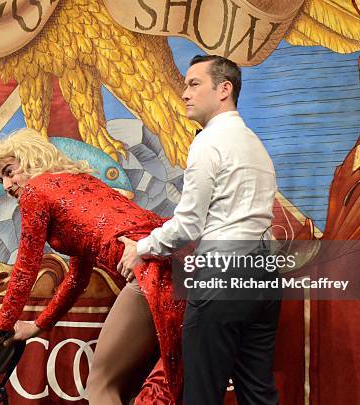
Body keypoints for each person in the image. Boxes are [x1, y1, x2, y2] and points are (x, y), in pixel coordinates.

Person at [0, 128, 185, 404]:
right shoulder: (82, 183)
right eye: (1, 178)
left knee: (101, 386)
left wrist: (1, 328)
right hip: (184, 263)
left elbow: (25, 269)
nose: (6, 185)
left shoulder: (36, 190)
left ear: (32, 158)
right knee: (151, 383)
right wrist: (36, 326)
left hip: (152, 270)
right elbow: (76, 279)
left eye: (10, 171)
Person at [119, 55, 280, 404]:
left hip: (223, 278)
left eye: (194, 84)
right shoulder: (255, 143)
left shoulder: (208, 142)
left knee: (201, 395)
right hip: (265, 276)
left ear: (224, 89)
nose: (184, 93)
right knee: (258, 394)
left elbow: (188, 225)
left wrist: (141, 247)